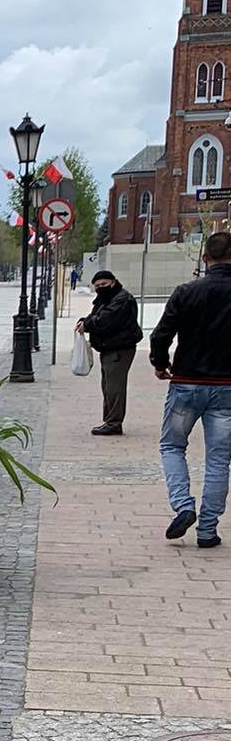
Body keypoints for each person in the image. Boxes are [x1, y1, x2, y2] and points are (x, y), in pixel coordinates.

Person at [150, 229, 231, 549]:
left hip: (185, 382)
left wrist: (160, 363)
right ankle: (208, 530)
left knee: (172, 446)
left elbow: (161, 334)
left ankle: (184, 505)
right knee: (218, 459)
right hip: (226, 386)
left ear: (205, 258)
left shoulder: (186, 292)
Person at [75, 269, 142, 435]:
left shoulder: (121, 299)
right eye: (97, 286)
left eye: (103, 284)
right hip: (110, 347)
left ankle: (113, 423)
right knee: (108, 385)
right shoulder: (107, 298)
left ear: (113, 282)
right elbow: (97, 316)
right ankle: (110, 420)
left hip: (119, 348)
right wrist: (85, 321)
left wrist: (88, 324)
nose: (100, 288)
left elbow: (106, 320)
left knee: (114, 387)